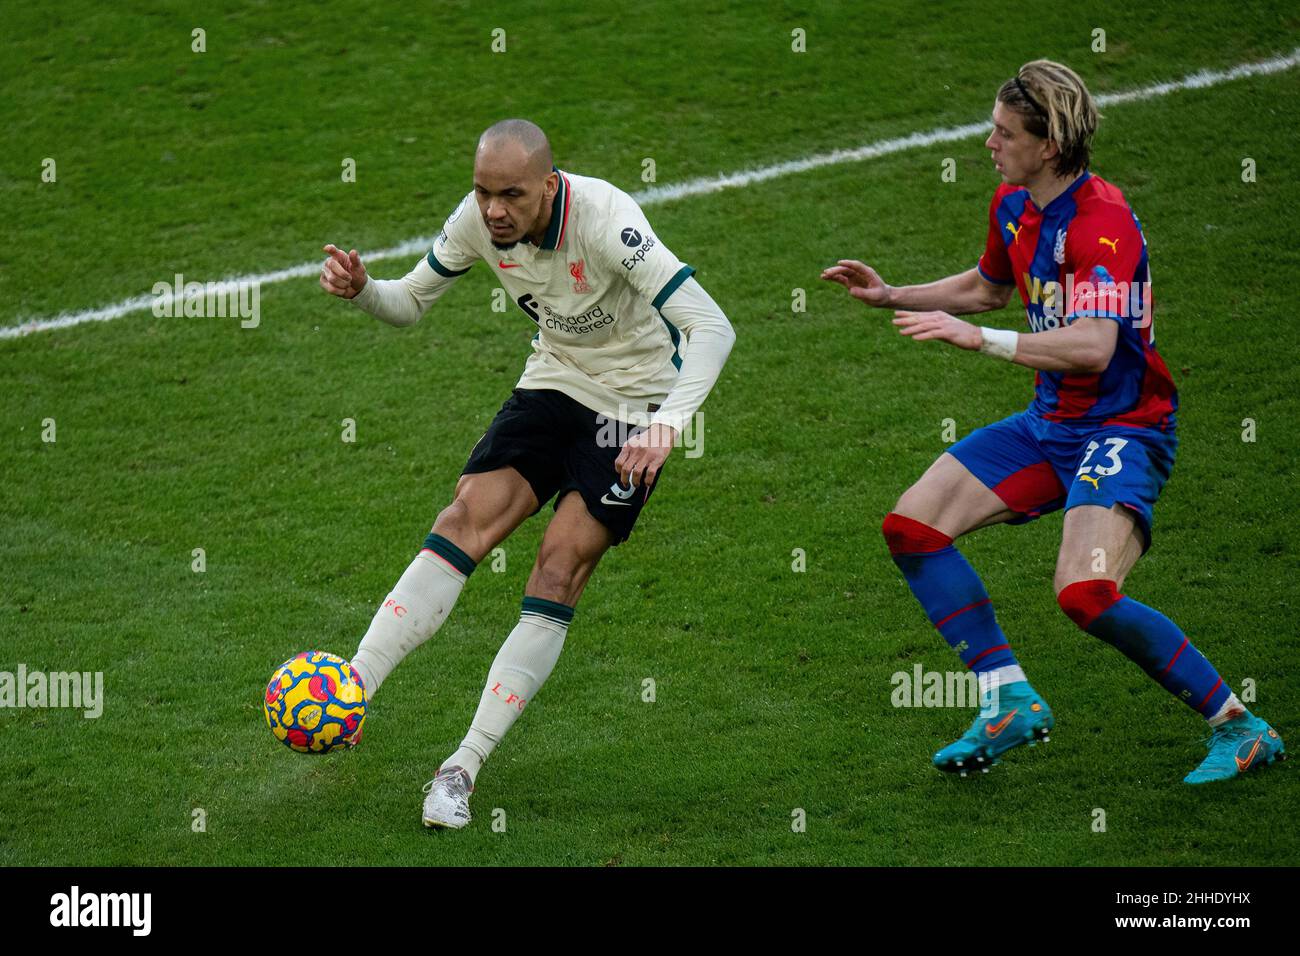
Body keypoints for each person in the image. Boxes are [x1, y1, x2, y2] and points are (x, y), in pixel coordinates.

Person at [822, 60, 1283, 783]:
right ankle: (1008, 700)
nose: (988, 143)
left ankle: (1241, 726)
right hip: (1051, 425)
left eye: (1004, 133)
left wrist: (983, 342)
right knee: (912, 527)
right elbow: (988, 286)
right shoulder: (1014, 202)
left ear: (1049, 145)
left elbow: (1093, 347)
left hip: (1124, 430)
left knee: (1086, 594)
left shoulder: (1101, 225)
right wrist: (889, 294)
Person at [320, 119, 735, 825]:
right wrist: (363, 289)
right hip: (553, 381)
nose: (494, 211)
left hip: (633, 409)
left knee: (555, 569)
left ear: (549, 185)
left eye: (510, 194)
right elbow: (409, 302)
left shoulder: (606, 220)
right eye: (483, 192)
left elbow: (713, 327)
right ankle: (348, 693)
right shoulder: (478, 219)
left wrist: (665, 427)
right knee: (462, 519)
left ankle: (462, 767)